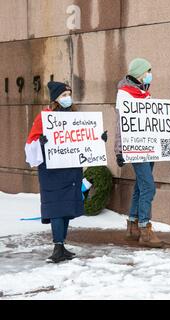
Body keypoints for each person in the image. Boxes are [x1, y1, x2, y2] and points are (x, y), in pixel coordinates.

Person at [24, 81, 107, 263]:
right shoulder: (44, 117)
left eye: (69, 94)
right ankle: (57, 246)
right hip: (52, 171)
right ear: (55, 98)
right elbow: (30, 145)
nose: (67, 98)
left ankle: (62, 245)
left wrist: (99, 139)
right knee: (56, 207)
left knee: (67, 206)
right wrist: (41, 143)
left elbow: (85, 139)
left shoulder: (74, 117)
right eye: (63, 95)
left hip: (71, 169)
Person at [114, 58, 163, 247]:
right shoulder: (125, 94)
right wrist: (119, 151)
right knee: (148, 187)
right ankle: (145, 229)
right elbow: (120, 124)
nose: (150, 74)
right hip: (135, 147)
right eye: (148, 71)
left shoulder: (144, 92)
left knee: (141, 186)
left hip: (149, 146)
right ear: (139, 73)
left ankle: (133, 224)